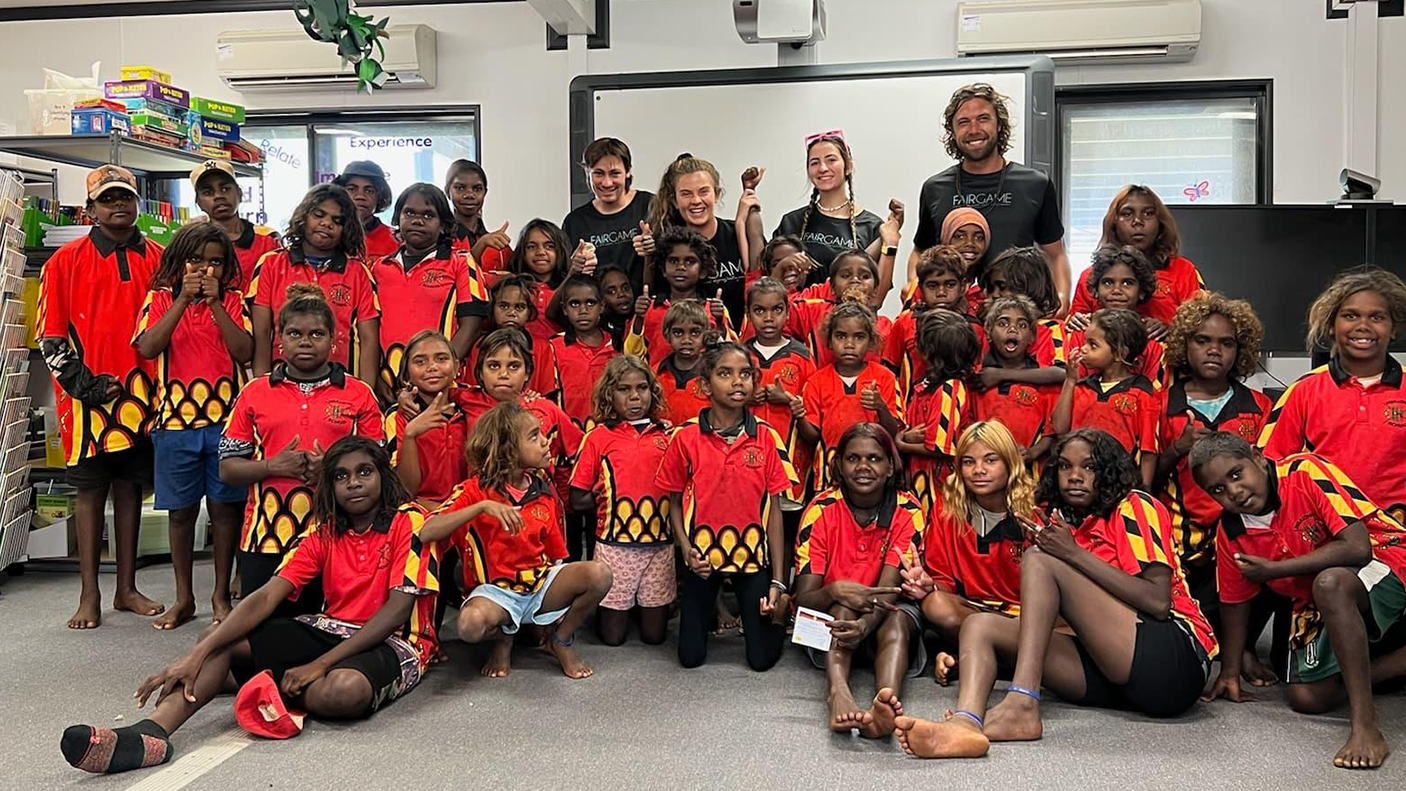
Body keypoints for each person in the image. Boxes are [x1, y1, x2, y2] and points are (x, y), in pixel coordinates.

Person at [60, 437, 439, 775]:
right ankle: (151, 734)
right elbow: (266, 596)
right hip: (329, 627)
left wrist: (317, 666)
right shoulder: (324, 529)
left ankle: (262, 679)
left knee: (342, 692)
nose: (353, 482)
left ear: (382, 476)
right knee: (220, 642)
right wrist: (197, 652)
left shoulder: (411, 522)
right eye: (340, 476)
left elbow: (396, 612)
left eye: (364, 472)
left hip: (398, 641)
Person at [892, 429, 1217, 759]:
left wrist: (1072, 554)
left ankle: (1022, 702)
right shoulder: (1059, 521)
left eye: (1089, 467)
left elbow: (1157, 603)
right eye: (1064, 467)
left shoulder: (1135, 505)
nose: (1074, 476)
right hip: (1111, 674)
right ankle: (965, 725)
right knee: (981, 626)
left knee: (1039, 559)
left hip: (1174, 660)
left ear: (1109, 470)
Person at [1192, 433, 1406, 770]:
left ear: (1258, 458)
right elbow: (1235, 601)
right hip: (1316, 594)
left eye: (1236, 474)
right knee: (1307, 698)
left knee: (1330, 582)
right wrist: (1230, 671)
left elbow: (1357, 548)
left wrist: (1275, 570)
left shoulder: (1305, 471)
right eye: (1217, 489)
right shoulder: (1230, 532)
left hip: (1386, 557)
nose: (1233, 491)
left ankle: (1366, 727)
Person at [38, 164, 163, 629]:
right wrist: (85, 386)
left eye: (125, 198)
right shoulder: (63, 263)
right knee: (89, 492)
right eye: (107, 199)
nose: (118, 206)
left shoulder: (159, 256)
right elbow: (50, 338)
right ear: (89, 209)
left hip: (144, 397)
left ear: (137, 204)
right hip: (85, 400)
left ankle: (126, 588)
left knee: (130, 487)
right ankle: (88, 593)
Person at [220, 284, 384, 613]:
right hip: (264, 536)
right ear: (279, 339)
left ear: (334, 340)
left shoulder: (360, 394)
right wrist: (271, 466)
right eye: (295, 334)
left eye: (316, 334)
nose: (305, 342)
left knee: (329, 626)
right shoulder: (254, 392)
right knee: (262, 631)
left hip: (338, 537)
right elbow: (227, 470)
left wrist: (332, 469)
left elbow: (379, 469)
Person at [421, 402, 612, 679]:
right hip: (495, 593)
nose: (546, 442)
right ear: (507, 451)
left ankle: (560, 640)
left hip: (538, 586)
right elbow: (427, 531)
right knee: (469, 625)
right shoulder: (473, 491)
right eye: (534, 436)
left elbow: (557, 557)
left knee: (600, 574)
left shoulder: (545, 493)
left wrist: (554, 615)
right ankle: (503, 638)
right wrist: (481, 508)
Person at [133, 222, 253, 629]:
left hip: (226, 423)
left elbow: (244, 350)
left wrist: (216, 304)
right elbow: (148, 348)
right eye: (195, 259)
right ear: (177, 262)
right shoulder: (158, 300)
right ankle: (184, 598)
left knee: (225, 509)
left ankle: (220, 595)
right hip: (174, 424)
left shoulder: (235, 301)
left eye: (215, 262)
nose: (205, 268)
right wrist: (182, 302)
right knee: (181, 513)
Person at [1156, 292, 1280, 684]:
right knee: (1178, 635)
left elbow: (1273, 482)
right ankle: (1230, 646)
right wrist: (1177, 448)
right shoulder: (1158, 404)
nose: (1215, 351)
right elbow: (1140, 482)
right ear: (1184, 345)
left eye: (1226, 343)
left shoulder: (1259, 406)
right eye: (1203, 341)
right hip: (1179, 546)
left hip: (1240, 541)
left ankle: (1239, 647)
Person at [657, 339, 797, 669]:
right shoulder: (685, 436)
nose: (738, 382)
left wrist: (778, 580)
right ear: (705, 385)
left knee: (761, 660)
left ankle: (779, 612)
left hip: (752, 559)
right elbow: (674, 502)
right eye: (725, 374)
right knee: (690, 658)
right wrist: (688, 550)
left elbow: (774, 512)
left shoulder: (765, 436)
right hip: (703, 559)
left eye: (745, 374)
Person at [793, 423, 925, 738]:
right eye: (853, 458)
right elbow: (804, 598)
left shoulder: (908, 510)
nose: (863, 467)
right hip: (829, 625)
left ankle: (885, 701)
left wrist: (866, 625)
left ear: (891, 465)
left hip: (885, 617)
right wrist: (836, 590)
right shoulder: (820, 509)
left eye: (874, 458)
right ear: (838, 464)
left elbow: (892, 589)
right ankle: (838, 690)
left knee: (896, 620)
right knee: (842, 607)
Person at [1259, 267, 1406, 523]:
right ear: (1330, 326)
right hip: (1329, 535)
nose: (1363, 326)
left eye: (1377, 317)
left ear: (1393, 329)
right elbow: (1271, 469)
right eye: (1350, 316)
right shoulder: (1303, 390)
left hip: (1398, 533)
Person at [910, 83, 1070, 314]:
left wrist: (1062, 300)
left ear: (999, 124)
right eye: (963, 122)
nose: (974, 129)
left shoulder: (1035, 184)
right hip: (950, 322)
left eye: (983, 118)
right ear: (953, 133)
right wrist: (914, 288)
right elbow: (920, 252)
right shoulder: (935, 188)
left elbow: (1055, 254)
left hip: (1015, 321)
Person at [900, 421, 1036, 685]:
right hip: (973, 614)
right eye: (968, 462)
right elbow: (944, 584)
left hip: (1026, 619)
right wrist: (927, 586)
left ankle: (973, 660)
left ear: (1010, 463)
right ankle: (994, 659)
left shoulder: (1034, 510)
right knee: (935, 605)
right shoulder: (947, 510)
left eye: (990, 460)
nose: (979, 471)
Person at [570, 356, 675, 646]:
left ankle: (652, 602)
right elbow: (578, 497)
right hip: (614, 546)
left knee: (655, 637)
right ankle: (617, 605)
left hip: (659, 544)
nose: (634, 397)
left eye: (642, 388)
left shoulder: (667, 435)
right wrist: (611, 503)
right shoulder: (598, 437)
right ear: (609, 395)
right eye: (624, 389)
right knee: (612, 638)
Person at [247, 184, 380, 388]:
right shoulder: (271, 264)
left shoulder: (358, 273)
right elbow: (262, 334)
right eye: (319, 215)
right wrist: (261, 390)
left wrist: (366, 394)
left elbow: (369, 339)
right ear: (304, 216)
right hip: (282, 384)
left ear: (347, 229)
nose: (326, 224)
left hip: (340, 387)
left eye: (337, 221)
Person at [370, 183, 488, 402]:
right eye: (409, 213)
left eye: (428, 215)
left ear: (443, 225)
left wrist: (437, 373)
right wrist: (377, 378)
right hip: (390, 387)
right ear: (397, 218)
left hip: (443, 388)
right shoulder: (379, 268)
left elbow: (471, 326)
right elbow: (371, 330)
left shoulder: (461, 262)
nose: (417, 220)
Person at [762, 131, 903, 294]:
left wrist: (890, 234)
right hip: (796, 316)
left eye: (831, 160)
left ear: (848, 166)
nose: (822, 168)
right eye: (815, 162)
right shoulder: (792, 222)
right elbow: (768, 286)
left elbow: (877, 294)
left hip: (851, 317)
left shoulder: (873, 226)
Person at [743, 276, 817, 571]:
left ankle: (781, 590)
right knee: (747, 524)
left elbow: (812, 406)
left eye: (776, 310)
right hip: (746, 457)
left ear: (788, 313)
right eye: (759, 311)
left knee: (785, 528)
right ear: (749, 314)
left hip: (790, 460)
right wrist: (747, 398)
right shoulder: (741, 354)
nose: (769, 318)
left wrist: (787, 398)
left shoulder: (802, 356)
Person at [797, 301, 903, 493]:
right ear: (829, 342)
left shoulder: (884, 377)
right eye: (841, 336)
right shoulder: (816, 381)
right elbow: (812, 436)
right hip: (829, 476)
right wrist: (798, 415)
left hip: (873, 474)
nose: (849, 344)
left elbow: (893, 432)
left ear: (871, 342)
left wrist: (881, 407)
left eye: (859, 337)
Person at [1068, 185, 1204, 331]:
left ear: (1161, 223)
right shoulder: (1090, 275)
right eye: (1127, 214)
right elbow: (1074, 326)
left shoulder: (1183, 270)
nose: (1138, 221)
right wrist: (1075, 321)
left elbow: (1200, 327)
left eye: (1148, 213)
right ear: (1113, 224)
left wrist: (1169, 330)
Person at [1052, 308, 1160, 488]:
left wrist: (1144, 492)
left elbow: (1149, 452)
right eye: (1085, 342)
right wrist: (1070, 380)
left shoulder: (1142, 394)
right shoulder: (1081, 388)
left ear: (1120, 354)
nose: (1083, 349)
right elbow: (1060, 428)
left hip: (1120, 483)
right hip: (1079, 481)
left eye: (1093, 345)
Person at [646, 154, 752, 324]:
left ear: (716, 194)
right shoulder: (666, 248)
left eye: (704, 192)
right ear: (674, 200)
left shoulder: (739, 234)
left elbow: (762, 281)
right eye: (686, 194)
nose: (696, 201)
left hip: (740, 343)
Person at [894, 310, 979, 517]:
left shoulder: (949, 390)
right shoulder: (925, 386)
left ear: (927, 351)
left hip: (939, 487)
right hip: (919, 480)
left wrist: (901, 443)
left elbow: (941, 447)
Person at [385, 331, 469, 510]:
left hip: (468, 511)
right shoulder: (398, 416)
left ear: (456, 367)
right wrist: (410, 434)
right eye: (420, 361)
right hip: (420, 514)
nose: (432, 367)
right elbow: (405, 490)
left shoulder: (471, 407)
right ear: (406, 374)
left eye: (441, 359)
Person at [563, 137, 657, 293]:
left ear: (628, 172)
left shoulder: (652, 206)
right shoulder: (574, 222)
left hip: (648, 308)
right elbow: (565, 279)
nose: (607, 183)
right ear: (587, 172)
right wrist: (576, 269)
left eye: (614, 174)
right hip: (597, 313)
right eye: (598, 174)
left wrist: (655, 248)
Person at [886, 246, 981, 399]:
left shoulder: (974, 327)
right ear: (921, 288)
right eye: (933, 285)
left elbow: (977, 377)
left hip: (957, 410)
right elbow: (890, 371)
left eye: (950, 284)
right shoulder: (906, 322)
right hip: (912, 411)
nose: (941, 293)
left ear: (963, 287)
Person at [1063, 246, 1167, 385]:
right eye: (1108, 282)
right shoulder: (1080, 332)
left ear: (1141, 290)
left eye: (1127, 283)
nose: (1116, 290)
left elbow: (1153, 394)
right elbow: (1073, 383)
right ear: (1095, 290)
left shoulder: (1152, 338)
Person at [972, 296, 1059, 460]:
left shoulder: (1045, 383)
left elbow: (1052, 429)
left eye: (1022, 325)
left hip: (1029, 471)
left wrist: (1034, 451)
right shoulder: (977, 378)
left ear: (1032, 337)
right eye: (1003, 323)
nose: (1013, 329)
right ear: (989, 333)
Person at [631, 229, 733, 366]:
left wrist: (720, 322)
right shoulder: (650, 308)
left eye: (690, 261)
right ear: (663, 270)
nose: (681, 267)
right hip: (658, 383)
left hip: (702, 385)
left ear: (702, 271)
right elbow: (631, 354)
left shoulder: (714, 309)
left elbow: (731, 355)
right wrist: (639, 318)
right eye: (673, 261)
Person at [460, 274, 560, 398]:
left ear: (529, 312)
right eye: (503, 306)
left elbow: (547, 393)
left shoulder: (541, 347)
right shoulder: (480, 345)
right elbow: (472, 391)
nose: (511, 313)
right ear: (492, 309)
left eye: (519, 307)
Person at [189, 159, 278, 292]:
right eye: (208, 192)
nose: (218, 196)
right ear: (198, 203)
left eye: (225, 189)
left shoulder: (268, 240)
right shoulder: (191, 243)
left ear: (240, 194)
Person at [547, 273, 620, 430]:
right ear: (564, 309)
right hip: (570, 436)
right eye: (574, 304)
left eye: (590, 303)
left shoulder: (617, 344)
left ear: (602, 306)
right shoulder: (554, 347)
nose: (583, 310)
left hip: (614, 434)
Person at [980, 246, 1067, 368]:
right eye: (991, 287)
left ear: (1029, 289)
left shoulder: (1052, 329)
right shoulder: (985, 328)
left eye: (1003, 287)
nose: (994, 295)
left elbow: (1062, 372)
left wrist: (1001, 375)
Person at [445, 159, 512, 273]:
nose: (469, 194)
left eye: (477, 189)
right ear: (447, 192)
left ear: (485, 193)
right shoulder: (438, 241)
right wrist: (481, 245)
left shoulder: (498, 246)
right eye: (460, 188)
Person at [654, 300, 714, 425]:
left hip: (703, 441)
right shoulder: (654, 375)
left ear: (706, 334)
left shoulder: (713, 374)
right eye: (678, 333)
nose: (686, 340)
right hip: (663, 441)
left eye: (695, 333)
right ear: (667, 335)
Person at [333, 160, 400, 259]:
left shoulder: (396, 240)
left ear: (380, 196)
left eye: (369, 191)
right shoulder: (328, 234)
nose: (360, 196)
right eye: (352, 189)